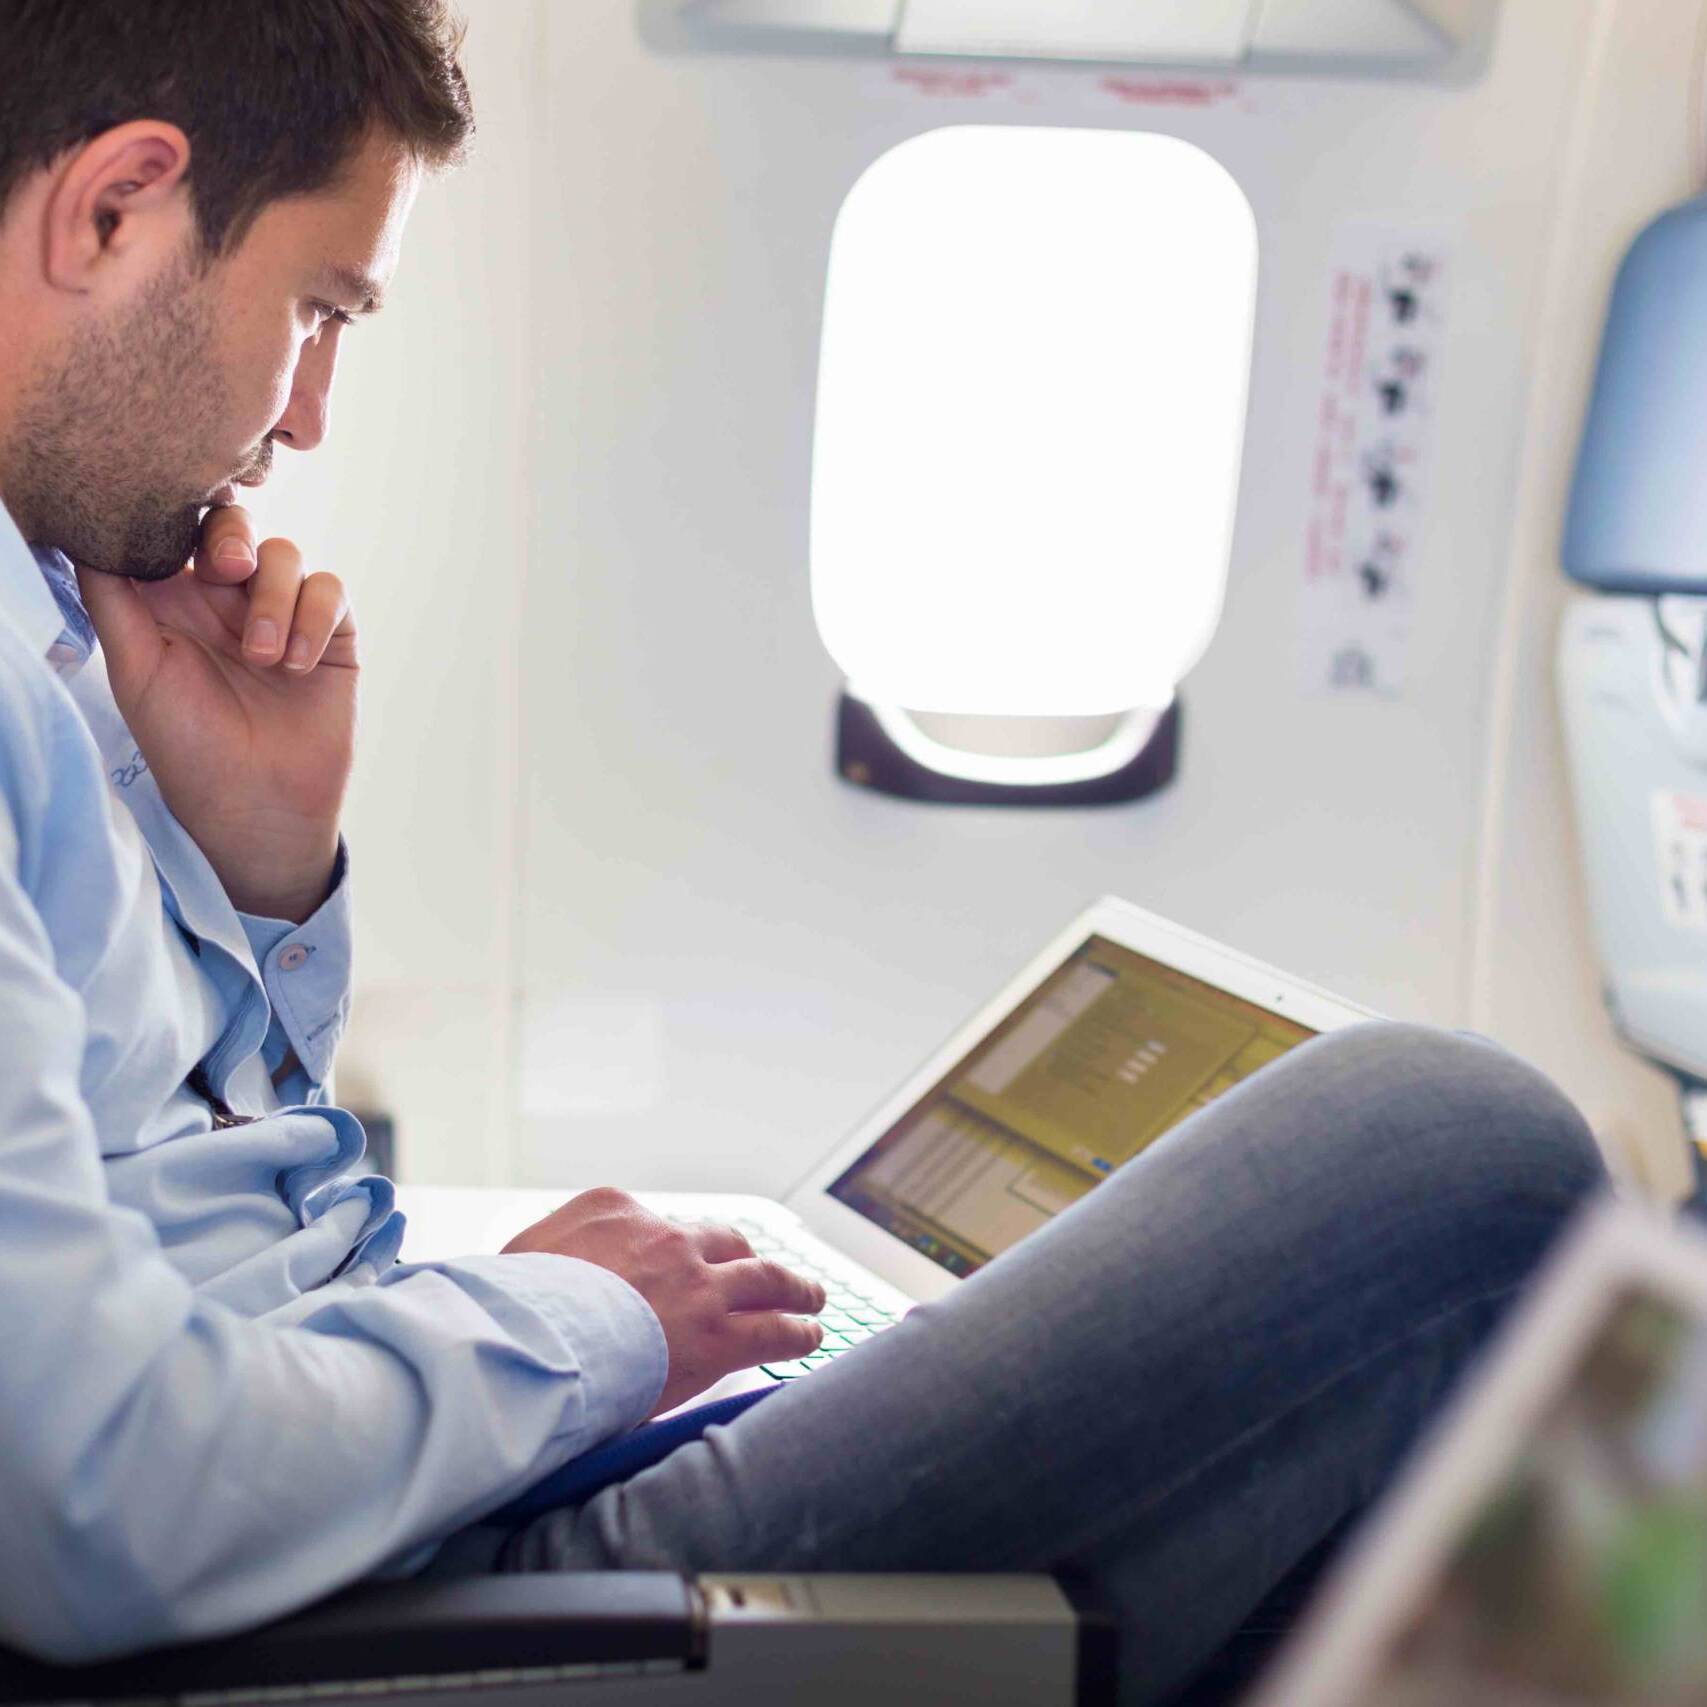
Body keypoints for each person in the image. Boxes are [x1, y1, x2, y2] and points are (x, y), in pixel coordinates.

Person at [0, 4, 1606, 1701]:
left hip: (370, 1488)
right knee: (1461, 1154)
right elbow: (93, 1485)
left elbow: (165, 1197)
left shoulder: (58, 612)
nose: (309, 416)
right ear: (116, 208)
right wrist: (587, 1324)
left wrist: (260, 881)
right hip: (377, 1607)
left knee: (1341, 1500)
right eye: (318, 311)